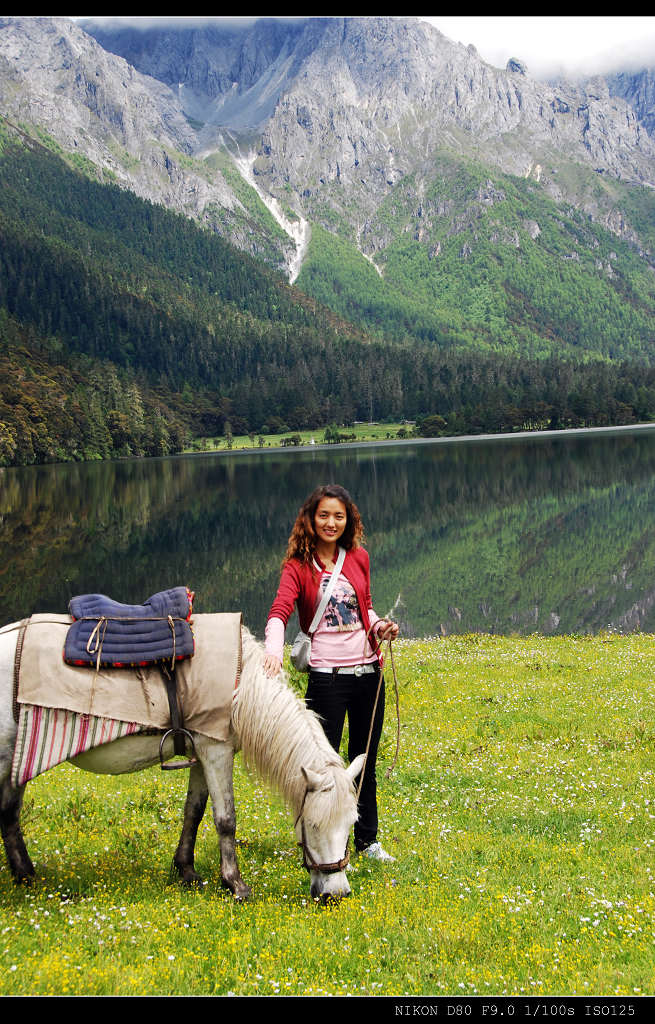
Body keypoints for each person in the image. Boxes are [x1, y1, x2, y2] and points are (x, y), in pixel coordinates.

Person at [263, 483, 399, 862]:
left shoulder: (358, 557)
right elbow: (280, 611)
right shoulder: (298, 567)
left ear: (348, 520)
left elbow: (365, 608)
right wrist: (273, 652)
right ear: (310, 518)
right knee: (321, 767)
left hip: (369, 673)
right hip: (327, 677)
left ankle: (367, 841)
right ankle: (316, 835)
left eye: (338, 516)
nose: (331, 522)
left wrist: (379, 627)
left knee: (364, 759)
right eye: (323, 515)